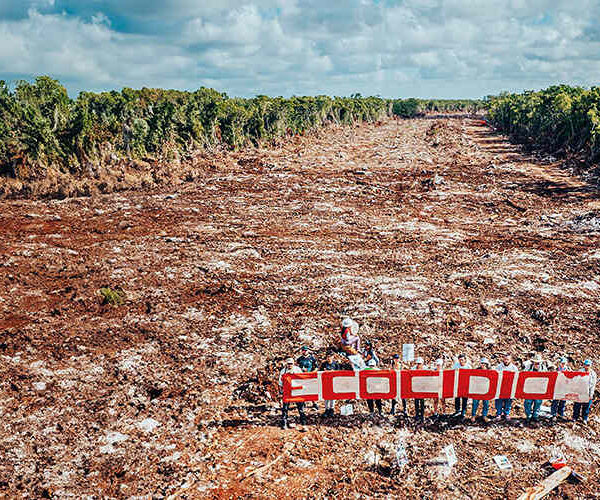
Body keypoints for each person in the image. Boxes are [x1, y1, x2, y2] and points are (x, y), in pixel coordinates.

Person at [278, 358, 306, 429]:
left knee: (301, 408)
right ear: (286, 364)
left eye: (291, 364)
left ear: (294, 364)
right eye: (288, 364)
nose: (290, 365)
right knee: (285, 408)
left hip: (297, 391)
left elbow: (303, 379)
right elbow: (280, 383)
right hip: (287, 392)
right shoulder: (283, 371)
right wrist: (281, 391)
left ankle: (303, 423)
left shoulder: (298, 369)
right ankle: (284, 423)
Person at [573, 359, 597, 424]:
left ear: (590, 366)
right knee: (577, 405)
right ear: (584, 365)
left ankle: (584, 418)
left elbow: (593, 385)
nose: (586, 367)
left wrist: (591, 394)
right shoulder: (580, 371)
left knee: (586, 406)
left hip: (588, 391)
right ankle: (575, 417)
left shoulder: (593, 374)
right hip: (580, 391)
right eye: (586, 365)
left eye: (588, 365)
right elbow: (576, 381)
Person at [495, 353, 518, 420]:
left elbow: (516, 378)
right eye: (505, 359)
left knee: (508, 400)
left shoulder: (514, 368)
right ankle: (498, 414)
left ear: (510, 360)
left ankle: (507, 413)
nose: (506, 360)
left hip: (509, 387)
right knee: (499, 400)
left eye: (507, 359)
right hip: (500, 387)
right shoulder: (499, 367)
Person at [523, 355, 545, 423]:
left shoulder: (543, 368)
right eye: (535, 363)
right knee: (528, 402)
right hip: (529, 388)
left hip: (539, 389)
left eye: (538, 363)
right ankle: (528, 416)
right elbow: (523, 376)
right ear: (533, 363)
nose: (537, 364)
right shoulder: (528, 367)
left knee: (538, 402)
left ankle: (535, 416)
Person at [364, 342, 383, 415]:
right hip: (371, 387)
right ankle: (373, 411)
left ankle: (378, 410)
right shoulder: (367, 370)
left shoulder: (376, 370)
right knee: (371, 399)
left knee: (376, 399)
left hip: (374, 387)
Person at [320, 352, 340, 417]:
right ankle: (326, 409)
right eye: (327, 357)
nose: (329, 358)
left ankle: (332, 409)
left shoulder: (336, 364)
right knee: (326, 396)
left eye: (330, 357)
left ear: (333, 357)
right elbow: (319, 372)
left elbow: (339, 373)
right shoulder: (323, 364)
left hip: (333, 382)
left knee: (332, 396)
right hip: (325, 382)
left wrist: (333, 372)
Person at [471, 357, 491, 422]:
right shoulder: (476, 370)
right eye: (482, 363)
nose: (483, 365)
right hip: (477, 389)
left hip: (486, 390)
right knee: (475, 403)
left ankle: (484, 415)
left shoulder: (490, 371)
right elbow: (473, 379)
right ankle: (473, 415)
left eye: (485, 364)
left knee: (486, 403)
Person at [453, 354, 471, 418]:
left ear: (465, 360)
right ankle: (457, 410)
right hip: (457, 384)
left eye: (462, 360)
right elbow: (452, 374)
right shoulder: (456, 365)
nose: (461, 361)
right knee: (457, 398)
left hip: (465, 385)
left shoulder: (468, 367)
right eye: (460, 360)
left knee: (464, 399)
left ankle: (463, 411)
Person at [413, 357, 426, 421]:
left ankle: (422, 415)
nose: (418, 365)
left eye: (419, 364)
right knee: (416, 401)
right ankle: (417, 414)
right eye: (417, 363)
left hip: (422, 387)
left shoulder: (425, 369)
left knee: (422, 401)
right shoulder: (413, 369)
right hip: (415, 387)